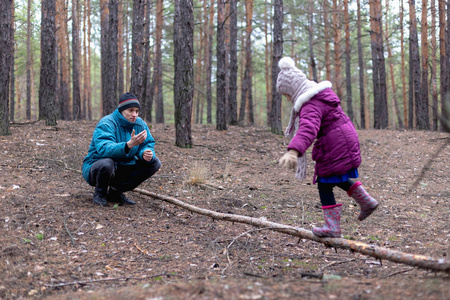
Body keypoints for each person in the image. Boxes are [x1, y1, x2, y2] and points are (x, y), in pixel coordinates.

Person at [276, 57, 378, 238]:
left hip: (336, 143)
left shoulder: (310, 104)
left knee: (324, 183)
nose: (287, 100)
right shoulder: (318, 97)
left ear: (293, 89)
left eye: (286, 95)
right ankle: (366, 202)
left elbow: (308, 128)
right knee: (335, 178)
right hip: (342, 139)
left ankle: (333, 227)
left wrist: (293, 151)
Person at [82, 92, 161, 207]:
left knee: (154, 162)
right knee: (107, 163)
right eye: (130, 110)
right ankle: (100, 194)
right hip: (97, 168)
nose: (134, 114)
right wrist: (127, 145)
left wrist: (146, 152)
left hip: (123, 166)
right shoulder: (107, 123)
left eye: (137, 111)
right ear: (121, 110)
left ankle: (115, 193)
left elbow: (147, 143)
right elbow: (104, 149)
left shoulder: (139, 124)